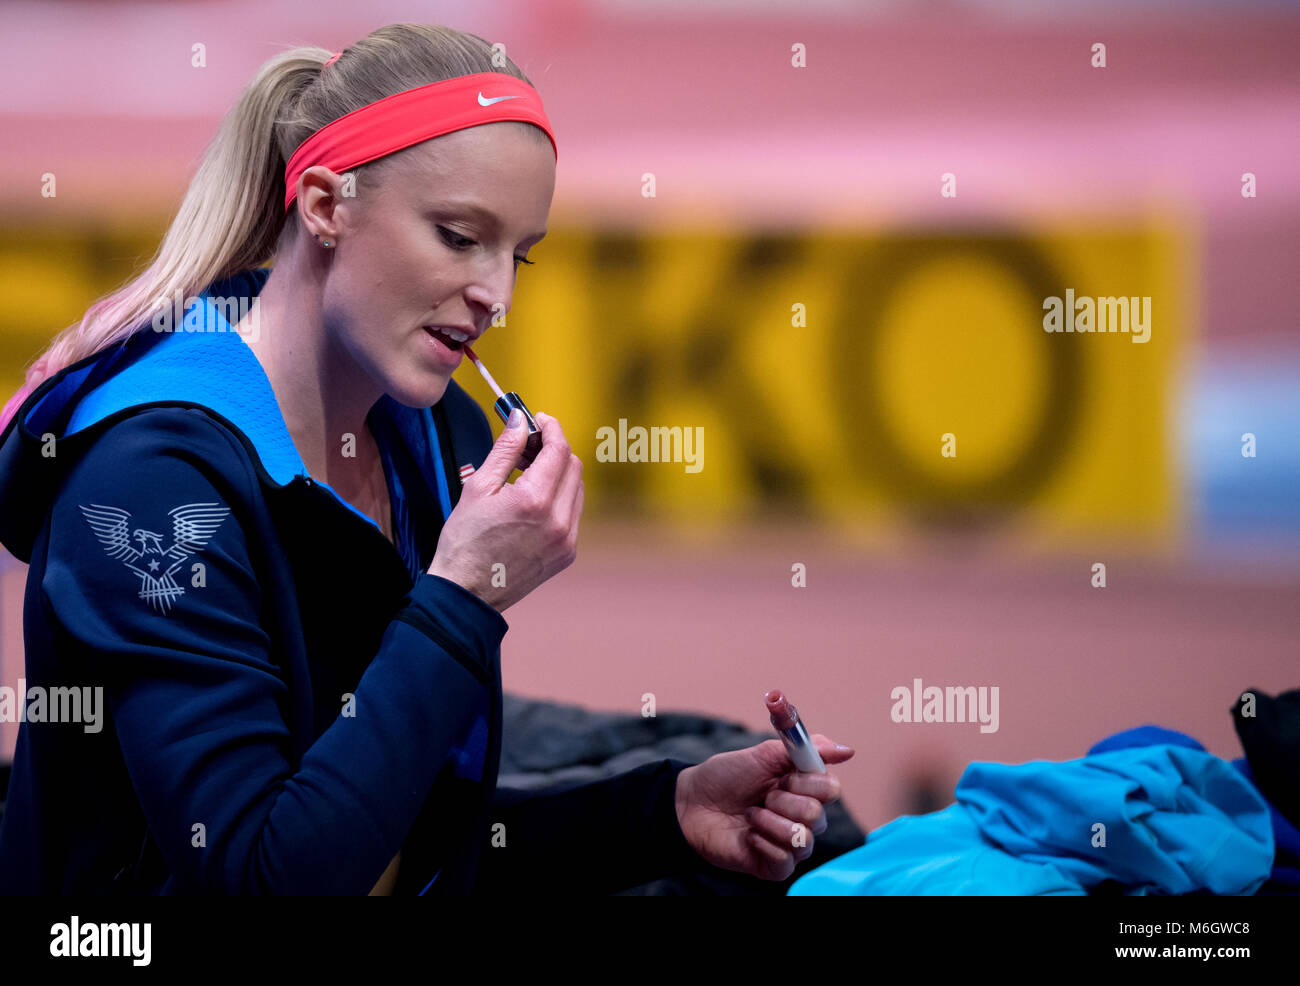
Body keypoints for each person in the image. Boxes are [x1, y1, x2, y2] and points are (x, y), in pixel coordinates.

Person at [0, 23, 853, 895]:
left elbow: (409, 847)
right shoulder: (152, 481)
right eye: (457, 236)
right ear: (327, 206)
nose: (498, 295)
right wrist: (461, 600)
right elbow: (264, 878)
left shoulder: (434, 436)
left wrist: (663, 816)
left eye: (517, 255)